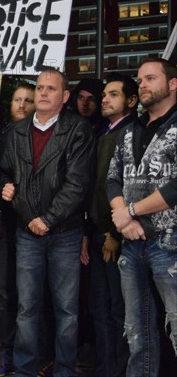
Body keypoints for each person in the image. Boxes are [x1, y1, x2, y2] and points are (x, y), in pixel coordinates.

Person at [0, 67, 94, 377]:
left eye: (50, 89)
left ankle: (64, 370)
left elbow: (78, 184)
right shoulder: (16, 132)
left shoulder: (79, 130)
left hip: (64, 233)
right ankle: (25, 370)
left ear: (65, 97)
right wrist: (4, 183)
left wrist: (48, 219)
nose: (42, 93)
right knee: (27, 309)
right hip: (27, 232)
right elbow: (3, 171)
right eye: (40, 87)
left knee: (66, 311)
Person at [106, 58, 177, 377]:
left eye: (150, 78)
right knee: (136, 333)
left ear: (172, 84)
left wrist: (129, 212)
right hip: (132, 246)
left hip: (170, 245)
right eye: (140, 80)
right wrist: (123, 216)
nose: (143, 84)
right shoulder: (129, 131)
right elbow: (112, 178)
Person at [0, 82, 35, 377]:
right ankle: (7, 351)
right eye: (18, 99)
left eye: (29, 100)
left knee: (32, 295)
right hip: (0, 225)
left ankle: (34, 354)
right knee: (3, 292)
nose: (23, 105)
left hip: (34, 226)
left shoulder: (47, 136)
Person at [87, 74, 138, 376]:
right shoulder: (103, 131)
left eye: (114, 94)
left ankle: (117, 369)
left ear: (131, 102)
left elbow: (125, 187)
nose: (104, 99)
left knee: (118, 310)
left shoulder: (130, 133)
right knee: (100, 308)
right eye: (105, 94)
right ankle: (107, 367)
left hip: (115, 235)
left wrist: (113, 233)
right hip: (97, 232)